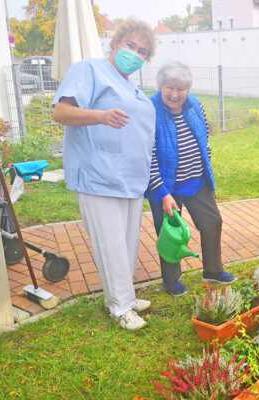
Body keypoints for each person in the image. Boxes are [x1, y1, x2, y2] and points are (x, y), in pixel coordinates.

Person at [53, 18, 156, 330]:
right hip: (98, 174)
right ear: (116, 43)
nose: (135, 53)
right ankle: (119, 306)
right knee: (109, 243)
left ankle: (124, 293)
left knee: (126, 242)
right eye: (131, 45)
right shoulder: (89, 70)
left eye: (143, 51)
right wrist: (100, 116)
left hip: (129, 178)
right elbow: (60, 112)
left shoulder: (131, 86)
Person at [146, 61, 236, 296]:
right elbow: (147, 158)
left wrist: (206, 163)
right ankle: (171, 280)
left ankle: (213, 271)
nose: (175, 94)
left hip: (197, 180)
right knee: (170, 233)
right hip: (165, 187)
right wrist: (162, 192)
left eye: (181, 89)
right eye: (170, 88)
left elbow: (203, 136)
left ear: (188, 89)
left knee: (212, 222)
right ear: (160, 86)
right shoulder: (149, 110)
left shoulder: (195, 104)